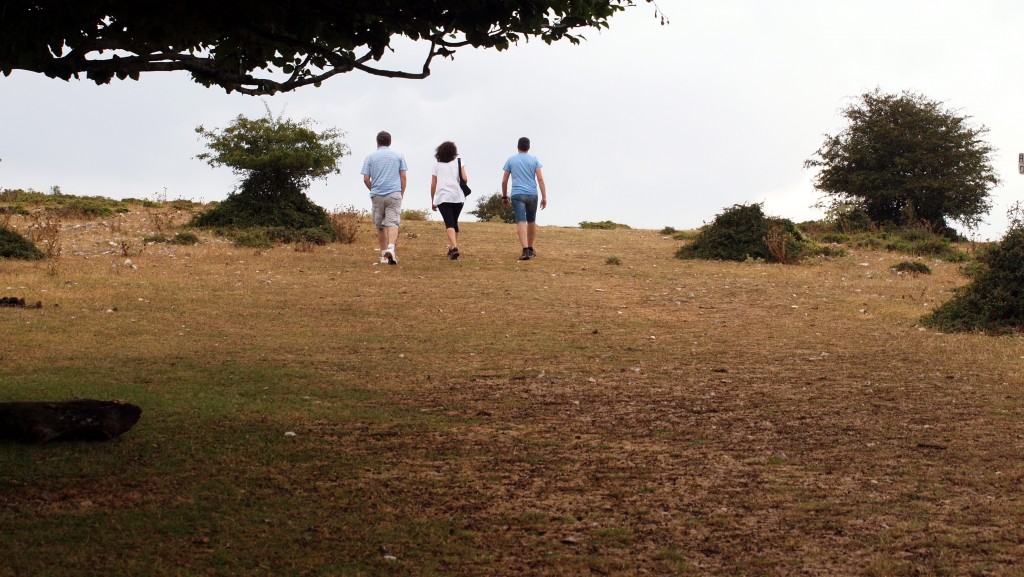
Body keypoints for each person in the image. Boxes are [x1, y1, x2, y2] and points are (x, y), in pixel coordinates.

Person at [361, 131, 407, 265]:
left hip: (377, 194)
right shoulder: (398, 156)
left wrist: (373, 189)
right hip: (394, 193)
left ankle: (383, 255)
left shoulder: (370, 157)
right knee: (393, 222)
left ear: (377, 142)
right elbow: (403, 176)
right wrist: (401, 192)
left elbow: (365, 178)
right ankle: (391, 248)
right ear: (390, 142)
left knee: (380, 225)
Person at [501, 137, 547, 260]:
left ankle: (525, 249)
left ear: (518, 146)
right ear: (529, 147)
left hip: (517, 194)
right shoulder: (534, 160)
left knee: (521, 221)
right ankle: (531, 248)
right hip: (532, 194)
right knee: (531, 220)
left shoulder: (511, 160)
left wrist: (504, 196)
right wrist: (544, 196)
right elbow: (540, 179)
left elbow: (504, 180)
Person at [430, 141, 469, 260]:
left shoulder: (436, 165)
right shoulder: (459, 162)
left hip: (443, 197)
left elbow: (433, 185)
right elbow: (465, 178)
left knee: (449, 223)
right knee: (454, 222)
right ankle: (452, 247)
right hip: (458, 197)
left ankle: (454, 248)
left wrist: (433, 200)